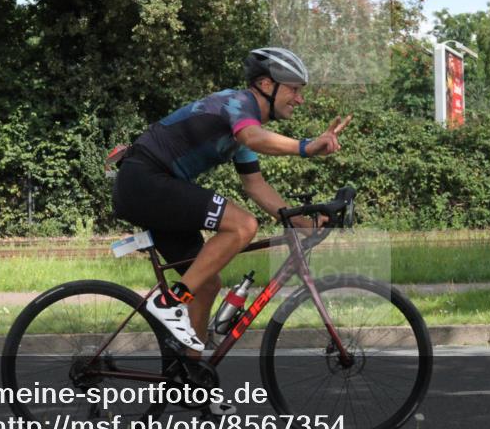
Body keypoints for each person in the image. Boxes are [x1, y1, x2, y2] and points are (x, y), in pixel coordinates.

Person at [113, 47, 352, 352]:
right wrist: (306, 146)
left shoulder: (245, 128)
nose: (299, 99)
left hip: (154, 187)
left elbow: (255, 186)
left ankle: (191, 379)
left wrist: (304, 223)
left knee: (206, 284)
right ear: (267, 84)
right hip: (144, 180)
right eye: (294, 89)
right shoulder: (237, 104)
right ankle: (169, 302)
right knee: (242, 225)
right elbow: (253, 139)